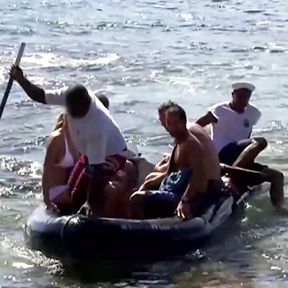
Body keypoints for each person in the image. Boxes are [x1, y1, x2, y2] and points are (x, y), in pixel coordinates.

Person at [10, 66, 128, 216]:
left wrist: (89, 203)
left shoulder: (97, 127)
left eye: (79, 114)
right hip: (88, 152)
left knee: (81, 194)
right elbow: (40, 95)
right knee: (72, 189)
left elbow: (96, 172)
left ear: (88, 106)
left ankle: (94, 216)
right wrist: (21, 79)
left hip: (112, 153)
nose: (75, 117)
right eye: (72, 112)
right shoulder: (67, 95)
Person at [196, 82, 284, 209]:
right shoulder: (219, 110)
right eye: (240, 96)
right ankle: (231, 175)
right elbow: (196, 127)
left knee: (277, 176)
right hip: (223, 154)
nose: (244, 99)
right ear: (233, 95)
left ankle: (280, 209)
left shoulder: (254, 112)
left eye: (247, 96)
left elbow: (246, 135)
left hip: (241, 158)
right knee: (260, 142)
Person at [130, 104, 225, 219]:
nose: (169, 127)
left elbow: (199, 176)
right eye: (168, 123)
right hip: (176, 188)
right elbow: (170, 173)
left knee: (136, 198)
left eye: (175, 123)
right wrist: (148, 184)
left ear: (184, 122)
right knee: (145, 187)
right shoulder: (179, 142)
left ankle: (140, 229)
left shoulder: (192, 144)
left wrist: (185, 201)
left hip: (191, 193)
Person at [42, 113, 79, 212]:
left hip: (72, 188)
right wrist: (47, 201)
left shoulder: (79, 137)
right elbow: (46, 170)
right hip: (57, 191)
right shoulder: (57, 139)